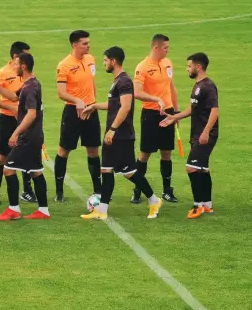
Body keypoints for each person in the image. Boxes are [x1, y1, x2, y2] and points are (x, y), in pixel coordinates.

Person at [80, 47, 162, 220]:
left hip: (122, 135)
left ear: (113, 61)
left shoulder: (124, 82)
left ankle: (154, 201)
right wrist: (94, 106)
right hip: (115, 134)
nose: (104, 63)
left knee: (130, 172)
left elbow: (125, 107)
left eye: (105, 60)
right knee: (106, 170)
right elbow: (115, 105)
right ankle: (101, 211)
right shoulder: (117, 81)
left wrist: (112, 129)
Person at [0, 53, 50, 221]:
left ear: (24, 66)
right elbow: (13, 96)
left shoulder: (29, 88)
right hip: (36, 136)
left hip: (27, 138)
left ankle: (13, 209)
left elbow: (31, 114)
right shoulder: (32, 84)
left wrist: (15, 133)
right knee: (36, 172)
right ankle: (43, 210)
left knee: (8, 169)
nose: (14, 67)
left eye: (17, 64)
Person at [160, 53, 218, 219]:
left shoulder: (208, 86)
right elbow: (192, 109)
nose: (187, 69)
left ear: (198, 67)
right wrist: (174, 117)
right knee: (202, 169)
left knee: (191, 168)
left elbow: (215, 110)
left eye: (189, 66)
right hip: (198, 134)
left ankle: (197, 205)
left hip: (205, 134)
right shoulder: (198, 85)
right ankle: (207, 205)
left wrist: (206, 132)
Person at [0, 41, 37, 205]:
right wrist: (12, 109)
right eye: (26, 54)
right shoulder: (2, 73)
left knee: (27, 154)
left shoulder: (27, 72)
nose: (30, 57)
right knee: (3, 157)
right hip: (8, 120)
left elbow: (20, 96)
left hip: (25, 119)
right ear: (16, 56)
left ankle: (27, 191)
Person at [54, 30, 102, 203]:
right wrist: (77, 101)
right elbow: (61, 93)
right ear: (75, 45)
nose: (88, 46)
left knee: (93, 149)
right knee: (64, 150)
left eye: (89, 43)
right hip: (72, 112)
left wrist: (93, 102)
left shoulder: (90, 59)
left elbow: (92, 83)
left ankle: (98, 189)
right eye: (85, 43)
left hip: (91, 110)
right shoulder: (64, 65)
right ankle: (59, 191)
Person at [132, 34, 179, 203]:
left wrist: (176, 112)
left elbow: (171, 87)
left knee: (167, 153)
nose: (168, 50)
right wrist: (155, 99)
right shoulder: (142, 67)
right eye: (165, 47)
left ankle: (167, 190)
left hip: (168, 113)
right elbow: (137, 92)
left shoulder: (167, 63)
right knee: (144, 154)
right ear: (156, 47)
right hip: (150, 115)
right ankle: (138, 189)